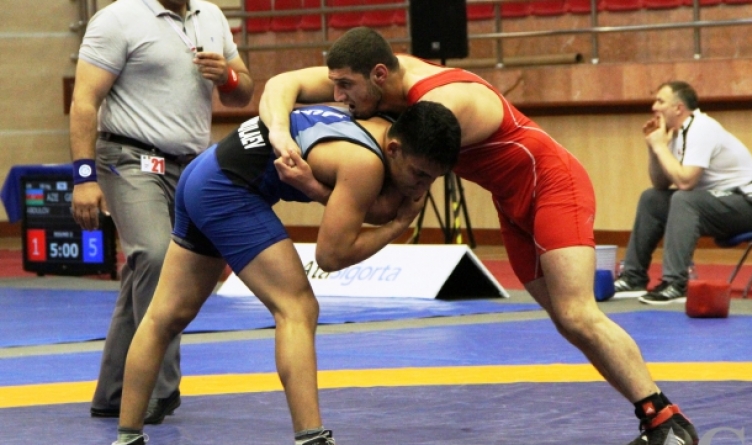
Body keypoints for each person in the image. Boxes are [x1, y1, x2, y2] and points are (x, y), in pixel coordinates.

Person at [259, 26, 699, 445]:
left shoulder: (438, 105)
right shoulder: (382, 77)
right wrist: (280, 134)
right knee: (568, 320)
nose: (339, 97)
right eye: (336, 85)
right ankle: (657, 420)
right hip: (511, 201)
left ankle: (668, 422)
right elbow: (283, 83)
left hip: (551, 183)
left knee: (578, 313)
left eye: (345, 87)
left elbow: (399, 200)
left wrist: (314, 187)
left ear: (377, 75)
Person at [111, 101, 461, 445]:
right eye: (419, 175)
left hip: (204, 170)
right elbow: (330, 256)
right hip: (226, 189)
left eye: (432, 179)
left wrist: (336, 195)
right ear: (394, 149)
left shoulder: (367, 120)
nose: (422, 188)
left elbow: (287, 88)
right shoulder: (364, 163)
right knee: (298, 308)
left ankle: (127, 437)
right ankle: (311, 437)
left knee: (162, 318)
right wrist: (396, 226)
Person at [69, 0, 254, 424]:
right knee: (156, 256)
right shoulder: (118, 18)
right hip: (128, 158)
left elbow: (243, 89)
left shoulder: (211, 16)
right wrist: (83, 178)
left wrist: (226, 76)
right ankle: (159, 387)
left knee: (143, 270)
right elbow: (84, 101)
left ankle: (115, 391)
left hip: (190, 165)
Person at [613, 81, 752, 305]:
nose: (654, 107)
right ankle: (633, 277)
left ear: (678, 108)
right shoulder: (676, 133)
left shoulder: (702, 128)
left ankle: (675, 283)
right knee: (652, 199)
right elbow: (660, 184)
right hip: (719, 202)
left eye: (660, 101)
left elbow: (686, 181)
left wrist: (661, 147)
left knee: (684, 199)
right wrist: (654, 147)